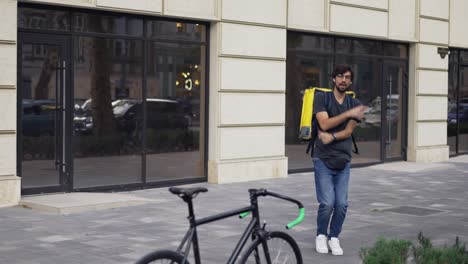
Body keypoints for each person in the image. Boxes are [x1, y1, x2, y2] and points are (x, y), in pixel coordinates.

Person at [313, 64, 367, 256]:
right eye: (340, 76)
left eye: (347, 77)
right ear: (334, 79)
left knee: (341, 204)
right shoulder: (322, 98)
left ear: (350, 81)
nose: (343, 80)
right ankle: (321, 234)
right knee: (327, 203)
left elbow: (348, 131)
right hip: (322, 158)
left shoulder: (355, 103)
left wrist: (333, 137)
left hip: (343, 160)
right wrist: (347, 114)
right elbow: (324, 123)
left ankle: (333, 236)